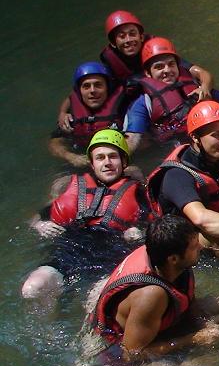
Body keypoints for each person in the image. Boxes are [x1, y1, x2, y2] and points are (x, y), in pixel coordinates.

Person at [78, 214, 219, 366]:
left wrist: (204, 323)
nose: (201, 247)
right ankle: (218, 357)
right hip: (117, 351)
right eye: (194, 246)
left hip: (157, 322)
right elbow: (131, 354)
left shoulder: (170, 260)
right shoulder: (150, 296)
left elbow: (189, 301)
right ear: (173, 258)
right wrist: (194, 339)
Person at [22, 130, 149, 308]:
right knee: (33, 288)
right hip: (70, 252)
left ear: (124, 161)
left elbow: (156, 227)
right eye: (100, 158)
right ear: (92, 163)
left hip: (111, 257)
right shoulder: (71, 186)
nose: (107, 163)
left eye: (113, 157)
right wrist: (40, 225)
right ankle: (48, 333)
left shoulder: (139, 193)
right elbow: (34, 219)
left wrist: (139, 233)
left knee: (96, 301)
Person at [147, 101, 219, 251]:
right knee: (212, 239)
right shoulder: (176, 175)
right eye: (217, 135)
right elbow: (201, 219)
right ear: (195, 137)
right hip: (180, 241)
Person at [123, 37, 219, 152]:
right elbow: (132, 139)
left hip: (206, 138)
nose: (167, 70)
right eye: (159, 67)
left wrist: (205, 90)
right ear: (148, 73)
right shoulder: (143, 102)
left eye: (171, 64)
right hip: (172, 149)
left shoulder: (196, 87)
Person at [49, 62, 129, 168]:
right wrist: (71, 157)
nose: (92, 90)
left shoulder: (124, 106)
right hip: (83, 161)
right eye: (86, 86)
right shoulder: (71, 115)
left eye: (98, 85)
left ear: (108, 88)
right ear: (80, 91)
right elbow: (54, 142)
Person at [99, 10, 150, 83]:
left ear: (141, 37)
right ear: (113, 43)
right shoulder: (110, 62)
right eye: (122, 36)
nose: (128, 40)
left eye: (132, 34)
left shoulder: (154, 48)